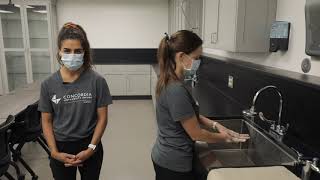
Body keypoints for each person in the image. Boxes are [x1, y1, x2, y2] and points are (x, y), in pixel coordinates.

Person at [151, 30, 250, 180]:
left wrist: (216, 125)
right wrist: (225, 138)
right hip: (173, 163)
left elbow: (188, 114)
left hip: (165, 155)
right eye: (197, 58)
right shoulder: (175, 90)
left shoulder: (170, 79)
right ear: (181, 57)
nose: (199, 62)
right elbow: (196, 133)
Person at [38, 22, 112, 180]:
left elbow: (103, 118)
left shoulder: (97, 81)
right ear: (59, 51)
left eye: (77, 51)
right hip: (60, 145)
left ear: (84, 52)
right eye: (67, 50)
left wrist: (91, 148)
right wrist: (54, 152)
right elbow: (46, 121)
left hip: (90, 143)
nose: (72, 55)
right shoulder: (48, 84)